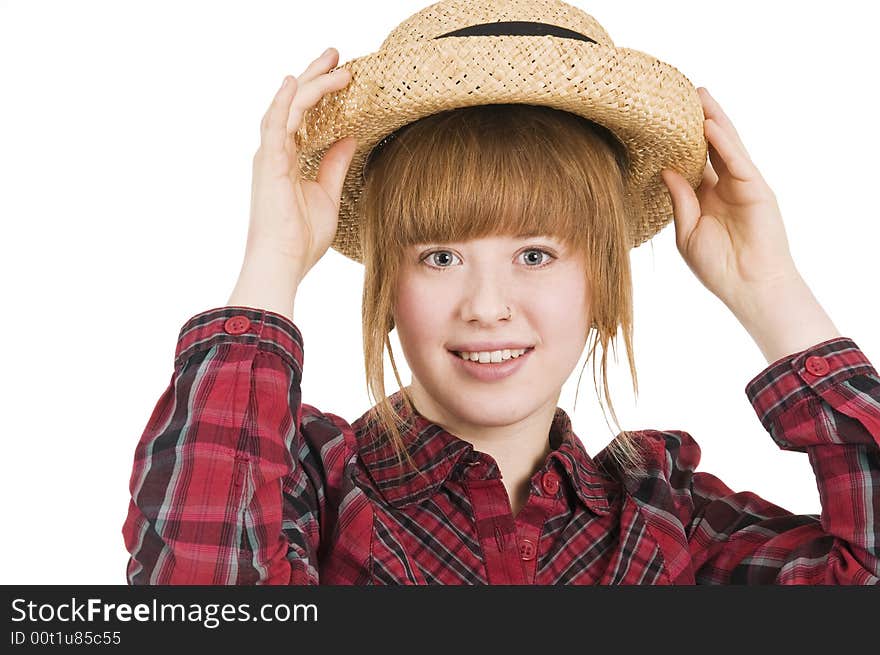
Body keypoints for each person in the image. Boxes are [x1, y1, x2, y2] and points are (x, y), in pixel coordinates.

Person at [122, 0, 880, 584]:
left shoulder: (665, 515)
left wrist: (772, 290)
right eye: (442, 255)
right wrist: (273, 262)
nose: (487, 304)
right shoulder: (311, 488)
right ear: (387, 286)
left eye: (537, 253)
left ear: (604, 282)